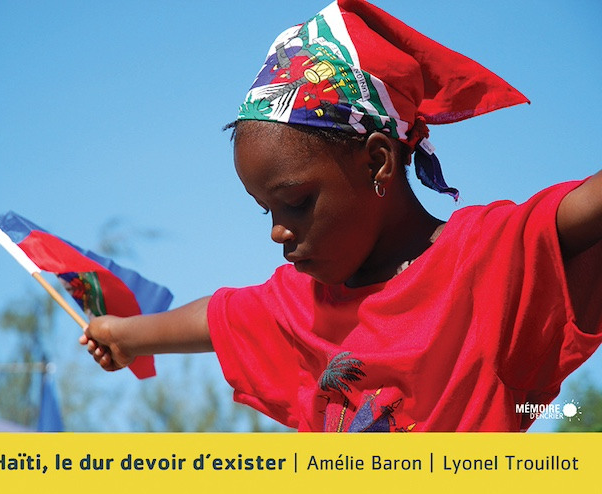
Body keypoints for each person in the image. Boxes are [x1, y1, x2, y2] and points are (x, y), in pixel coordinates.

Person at [79, 0, 602, 431]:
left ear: (378, 161)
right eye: (267, 211)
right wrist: (125, 335)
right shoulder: (299, 306)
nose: (278, 231)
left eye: (298, 202)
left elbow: (580, 211)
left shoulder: (488, 261)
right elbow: (218, 318)